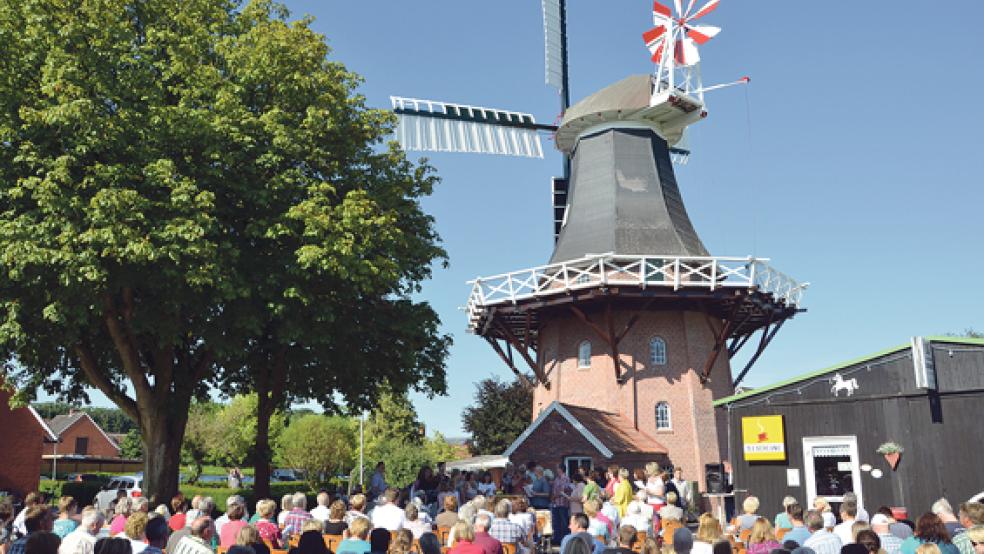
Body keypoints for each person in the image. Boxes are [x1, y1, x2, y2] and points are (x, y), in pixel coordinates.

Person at [552, 466, 573, 545]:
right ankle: (557, 539)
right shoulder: (556, 479)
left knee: (564, 522)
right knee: (556, 522)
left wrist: (555, 496)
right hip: (556, 503)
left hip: (563, 503)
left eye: (558, 468)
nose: (556, 470)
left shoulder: (565, 478)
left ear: (561, 469)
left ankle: (565, 539)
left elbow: (563, 490)